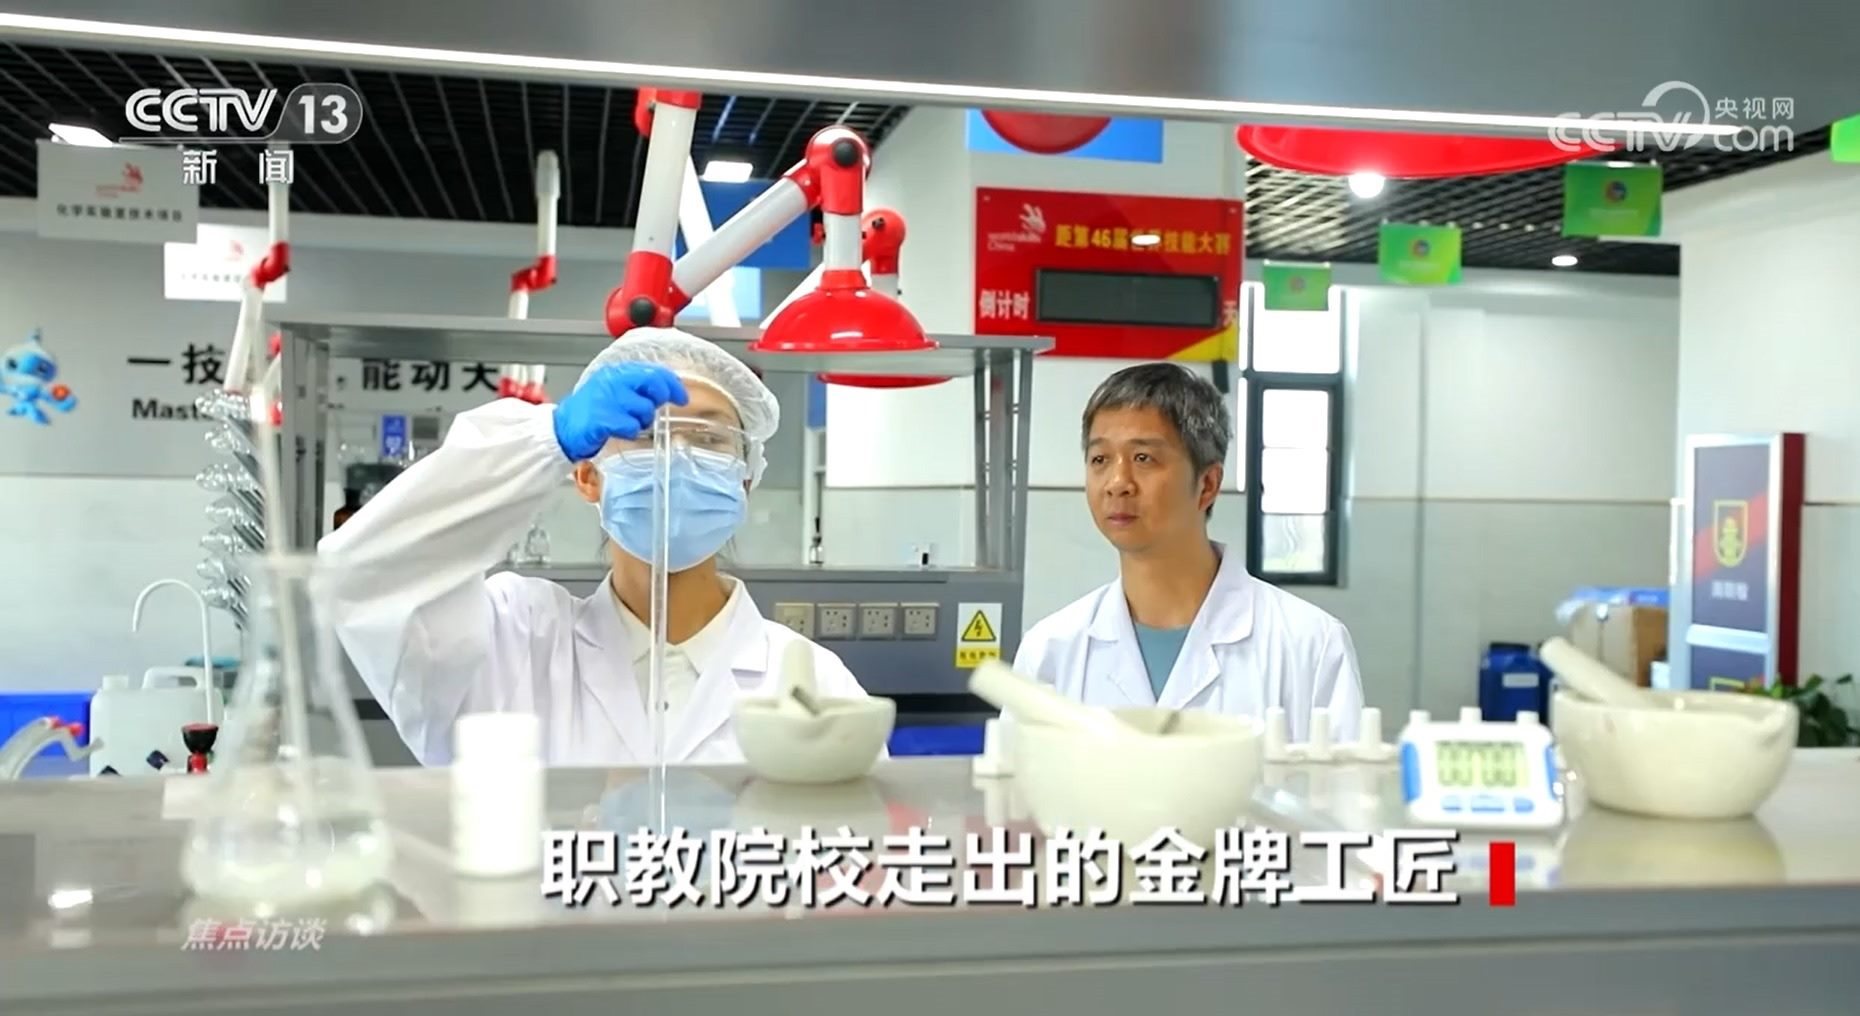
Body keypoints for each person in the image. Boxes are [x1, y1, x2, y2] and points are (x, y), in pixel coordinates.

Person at [318, 327, 872, 765]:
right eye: (645, 434)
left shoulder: (815, 683)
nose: (676, 456)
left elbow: (854, 857)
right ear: (586, 476)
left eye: (708, 438)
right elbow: (365, 570)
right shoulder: (512, 642)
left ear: (744, 482)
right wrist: (545, 440)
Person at [1012, 362, 1364, 741]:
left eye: (1143, 458)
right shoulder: (1051, 650)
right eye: (1100, 459)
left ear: (1207, 484)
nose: (1117, 482)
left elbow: (1343, 778)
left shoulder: (1309, 645)